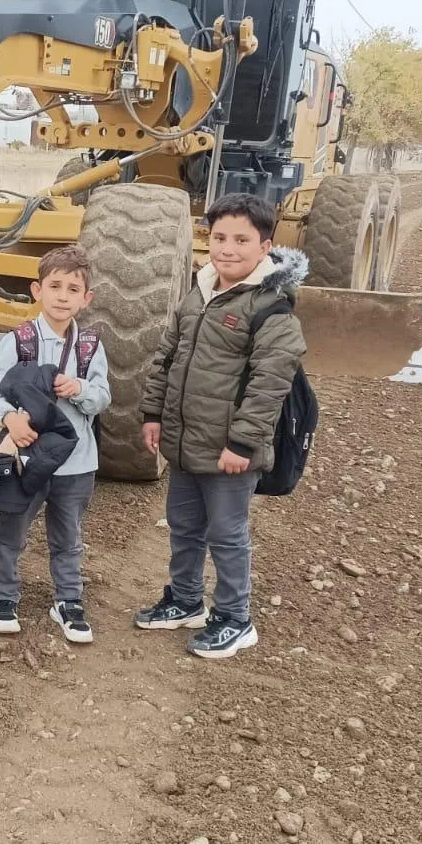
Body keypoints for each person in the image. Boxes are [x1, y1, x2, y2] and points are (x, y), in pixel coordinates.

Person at [133, 195, 307, 659]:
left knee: (227, 534)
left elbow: (270, 384)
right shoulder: (200, 291)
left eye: (241, 240)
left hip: (231, 450)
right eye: (220, 238)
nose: (227, 249)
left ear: (266, 246)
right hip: (187, 443)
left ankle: (235, 617)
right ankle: (186, 600)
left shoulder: (271, 308)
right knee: (183, 525)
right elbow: (166, 357)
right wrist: (153, 414)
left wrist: (243, 443)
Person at [0, 245, 111, 643]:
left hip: (76, 464)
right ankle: (3, 597)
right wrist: (11, 417)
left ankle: (68, 602)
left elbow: (104, 396)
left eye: (73, 288)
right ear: (37, 290)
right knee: (12, 530)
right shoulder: (17, 341)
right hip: (26, 460)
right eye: (55, 286)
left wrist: (81, 388)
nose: (62, 295)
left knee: (68, 536)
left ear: (86, 298)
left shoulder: (90, 347)